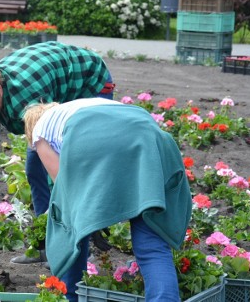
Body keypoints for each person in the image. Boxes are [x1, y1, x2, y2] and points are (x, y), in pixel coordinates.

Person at [0, 41, 115, 264]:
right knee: (34, 169)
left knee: (60, 168)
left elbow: (55, 163)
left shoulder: (27, 95)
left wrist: (79, 211)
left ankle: (75, 246)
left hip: (87, 82)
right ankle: (46, 244)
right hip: (54, 85)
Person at [23, 98, 192, 302]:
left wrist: (88, 222)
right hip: (147, 135)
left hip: (105, 142)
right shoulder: (81, 106)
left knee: (71, 228)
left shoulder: (39, 131)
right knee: (151, 244)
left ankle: (71, 297)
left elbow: (64, 187)